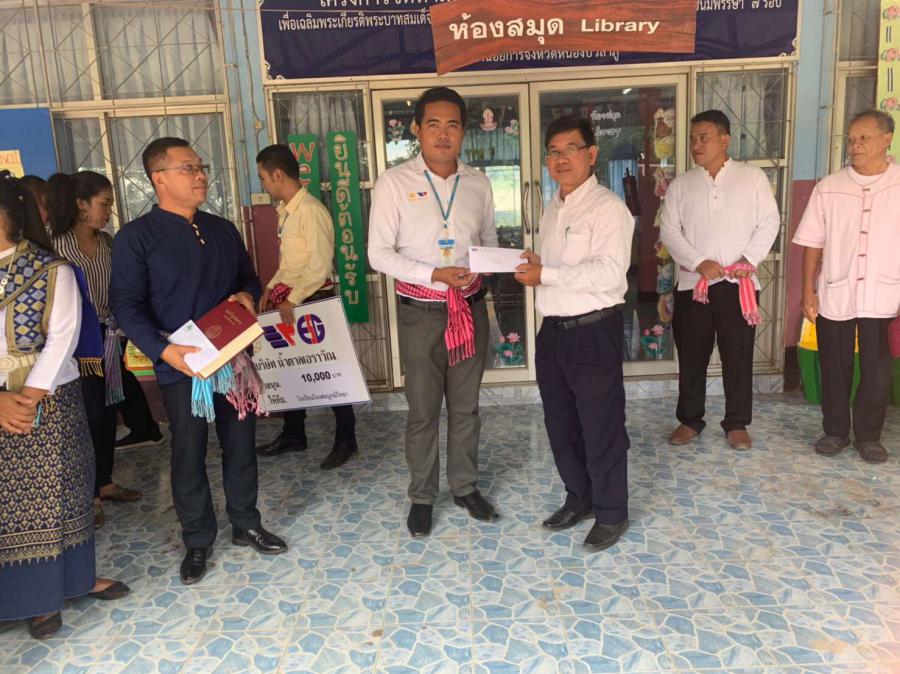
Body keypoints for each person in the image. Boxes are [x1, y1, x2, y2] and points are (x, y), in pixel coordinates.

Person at [110, 137, 287, 585]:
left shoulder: (221, 229)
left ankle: (246, 522)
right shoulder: (136, 238)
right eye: (188, 168)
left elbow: (249, 277)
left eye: (201, 166)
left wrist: (246, 294)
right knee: (188, 450)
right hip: (181, 363)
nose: (200, 175)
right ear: (159, 178)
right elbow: (126, 305)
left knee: (241, 442)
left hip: (232, 359)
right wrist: (165, 351)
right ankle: (197, 539)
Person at [0, 173, 129, 640]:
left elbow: (62, 338)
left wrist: (28, 398)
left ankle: (74, 581)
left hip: (49, 401)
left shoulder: (51, 269)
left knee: (61, 494)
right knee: (10, 508)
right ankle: (23, 598)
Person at [368, 86, 499, 537]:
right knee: (423, 411)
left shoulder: (478, 183)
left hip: (469, 310)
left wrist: (484, 266)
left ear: (464, 131)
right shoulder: (394, 183)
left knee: (466, 408)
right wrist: (433, 274)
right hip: (420, 314)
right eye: (434, 124)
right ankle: (422, 496)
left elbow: (489, 242)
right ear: (416, 129)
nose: (443, 134)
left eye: (453, 125)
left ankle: (465, 487)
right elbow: (378, 254)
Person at [514, 116, 632, 551]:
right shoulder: (553, 207)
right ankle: (579, 496)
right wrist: (538, 265)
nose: (561, 159)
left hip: (593, 331)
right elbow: (557, 268)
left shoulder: (608, 208)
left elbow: (609, 272)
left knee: (600, 425)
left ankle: (612, 511)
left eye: (570, 149)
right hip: (553, 333)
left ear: (591, 154)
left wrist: (547, 273)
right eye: (553, 151)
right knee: (560, 423)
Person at [659, 109, 780, 450]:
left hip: (739, 287)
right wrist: (699, 262)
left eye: (704, 138)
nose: (696, 145)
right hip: (693, 288)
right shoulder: (681, 185)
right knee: (692, 357)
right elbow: (669, 231)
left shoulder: (752, 178)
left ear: (724, 140)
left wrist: (748, 259)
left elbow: (769, 222)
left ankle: (737, 424)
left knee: (738, 357)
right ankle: (690, 420)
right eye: (693, 139)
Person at [793, 110, 900, 463]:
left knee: (877, 372)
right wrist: (808, 291)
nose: (855, 145)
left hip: (885, 295)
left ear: (887, 139)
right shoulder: (830, 187)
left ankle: (868, 436)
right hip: (835, 292)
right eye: (851, 139)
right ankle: (835, 431)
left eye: (864, 137)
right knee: (834, 366)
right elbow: (812, 243)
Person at [47, 171, 143, 529]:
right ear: (81, 205)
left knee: (108, 413)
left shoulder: (108, 243)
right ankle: (89, 497)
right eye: (104, 204)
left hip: (108, 338)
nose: (108, 212)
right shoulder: (56, 245)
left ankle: (105, 483)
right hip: (75, 346)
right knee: (89, 418)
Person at [254, 143, 358, 469]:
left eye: (263, 178)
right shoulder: (287, 212)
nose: (263, 184)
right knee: (290, 369)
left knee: (330, 373)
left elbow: (319, 266)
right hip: (291, 302)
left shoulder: (311, 211)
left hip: (313, 302)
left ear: (278, 174)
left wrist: (292, 299)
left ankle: (346, 440)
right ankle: (294, 434)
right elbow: (290, 263)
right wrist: (271, 287)